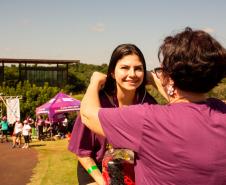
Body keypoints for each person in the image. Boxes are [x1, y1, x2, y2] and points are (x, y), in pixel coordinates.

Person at [80, 27, 226, 184]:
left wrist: (94, 82)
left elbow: (88, 114)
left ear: (169, 77)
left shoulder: (148, 119)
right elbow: (186, 104)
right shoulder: (221, 110)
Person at [68, 43, 157, 185]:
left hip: (133, 169)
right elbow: (82, 153)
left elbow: (180, 104)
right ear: (112, 73)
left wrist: (153, 78)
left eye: (138, 68)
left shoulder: (148, 103)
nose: (132, 74)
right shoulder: (96, 103)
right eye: (125, 68)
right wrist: (102, 182)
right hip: (95, 169)